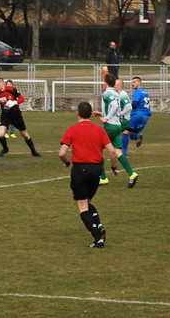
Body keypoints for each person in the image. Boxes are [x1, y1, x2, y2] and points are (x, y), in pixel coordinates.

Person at [59, 101, 123, 248]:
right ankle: (99, 226)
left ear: (77, 113)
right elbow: (112, 151)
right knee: (87, 202)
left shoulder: (72, 130)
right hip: (96, 170)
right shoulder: (100, 130)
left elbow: (62, 153)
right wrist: (114, 167)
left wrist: (67, 162)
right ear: (91, 114)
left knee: (82, 206)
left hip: (80, 169)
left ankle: (97, 238)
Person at [94, 74, 138, 187]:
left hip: (110, 126)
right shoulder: (116, 94)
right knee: (117, 151)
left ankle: (103, 178)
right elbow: (114, 107)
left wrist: (106, 118)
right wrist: (102, 113)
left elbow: (113, 105)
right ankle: (132, 174)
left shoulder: (107, 93)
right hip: (118, 125)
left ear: (105, 83)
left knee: (96, 150)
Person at [0, 77, 42, 158]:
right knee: (1, 134)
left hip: (16, 115)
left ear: (2, 83)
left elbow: (22, 99)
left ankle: (34, 152)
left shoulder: (12, 89)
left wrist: (14, 102)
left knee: (25, 135)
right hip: (5, 115)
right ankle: (5, 149)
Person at [127, 76, 152, 148]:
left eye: (134, 82)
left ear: (139, 83)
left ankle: (124, 152)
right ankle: (138, 136)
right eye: (132, 82)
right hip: (145, 117)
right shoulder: (146, 92)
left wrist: (127, 109)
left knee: (125, 131)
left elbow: (134, 104)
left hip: (136, 115)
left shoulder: (137, 91)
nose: (132, 84)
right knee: (132, 134)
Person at [115, 79, 133, 154]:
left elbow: (129, 107)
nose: (114, 86)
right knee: (125, 133)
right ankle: (123, 152)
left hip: (123, 119)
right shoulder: (119, 94)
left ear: (121, 86)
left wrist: (120, 114)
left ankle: (117, 152)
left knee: (114, 135)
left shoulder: (122, 94)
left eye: (116, 84)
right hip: (125, 119)